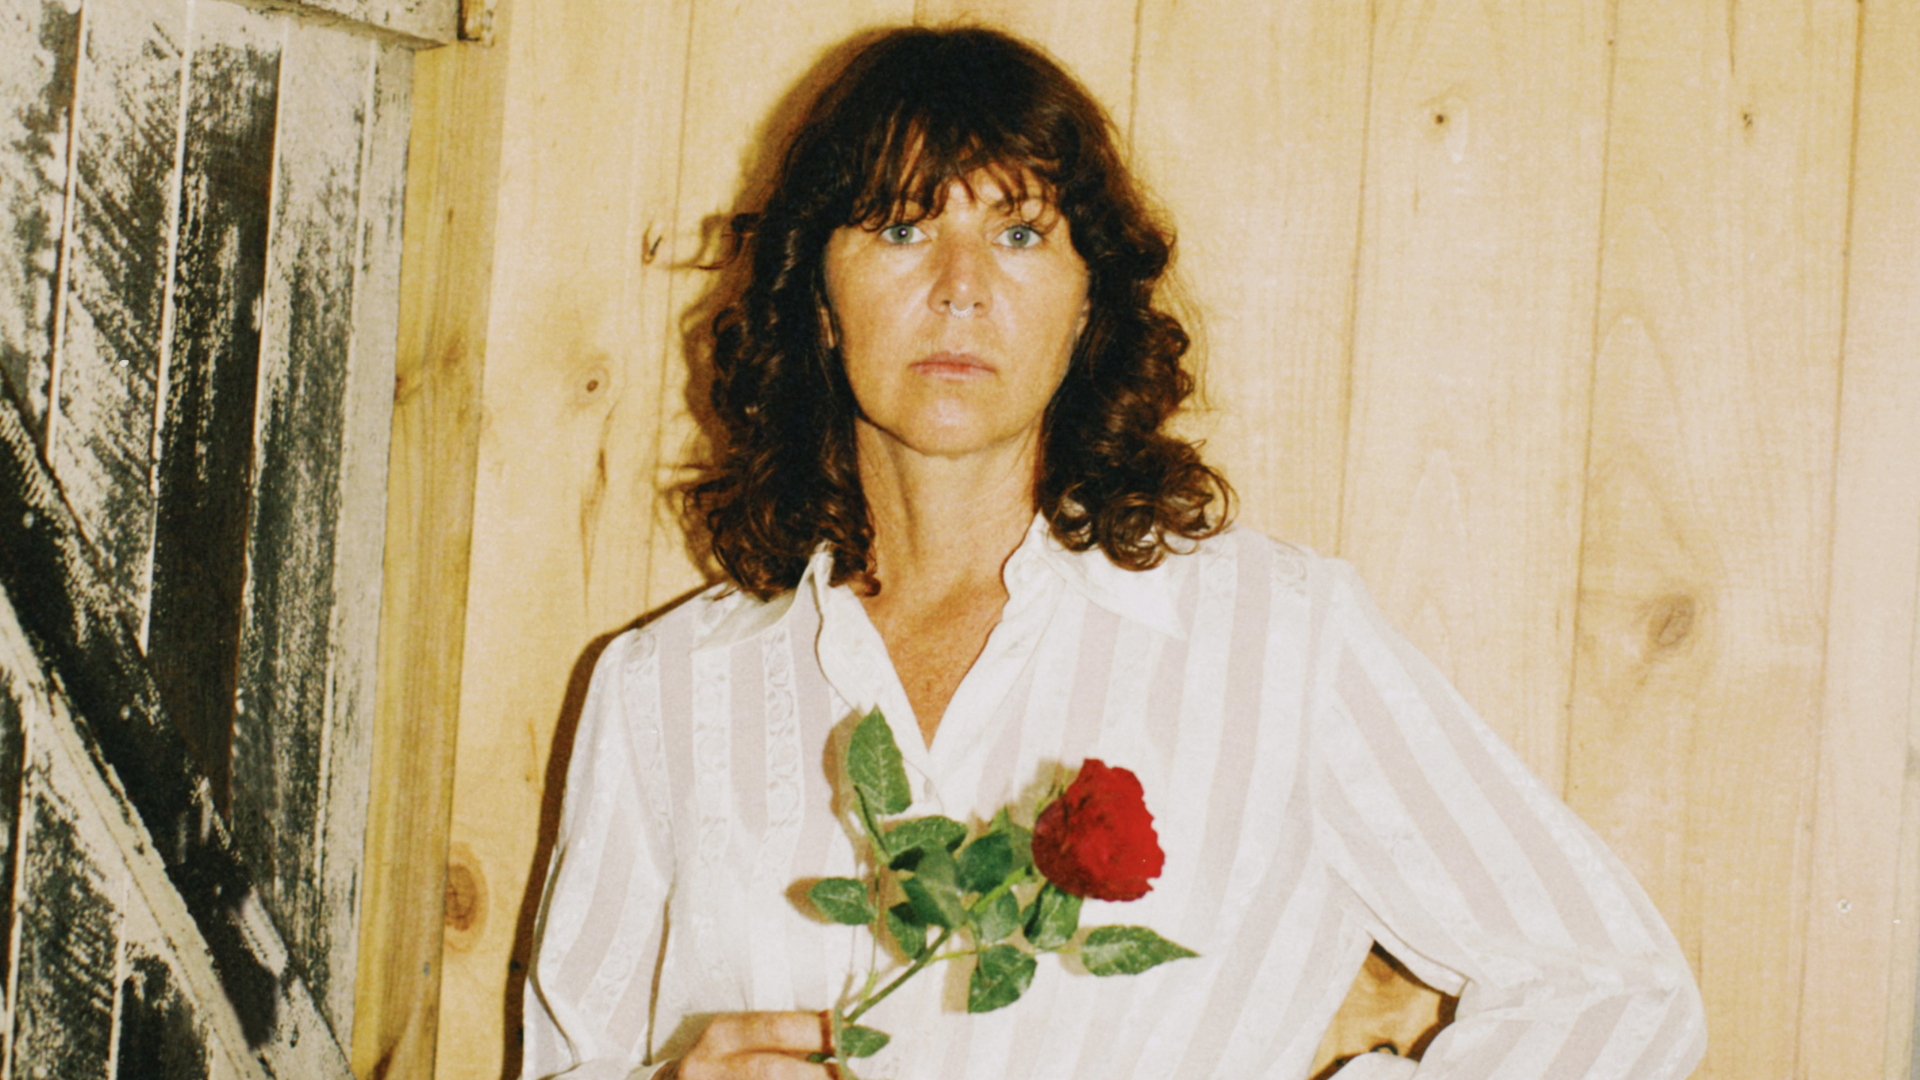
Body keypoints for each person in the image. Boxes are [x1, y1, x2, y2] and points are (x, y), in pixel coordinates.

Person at [522, 25, 1706, 1080]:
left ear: (1089, 303)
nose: (959, 287)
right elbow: (572, 1056)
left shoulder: (1277, 640)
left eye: (1020, 232)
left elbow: (1617, 996)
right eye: (901, 226)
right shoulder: (664, 691)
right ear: (818, 298)